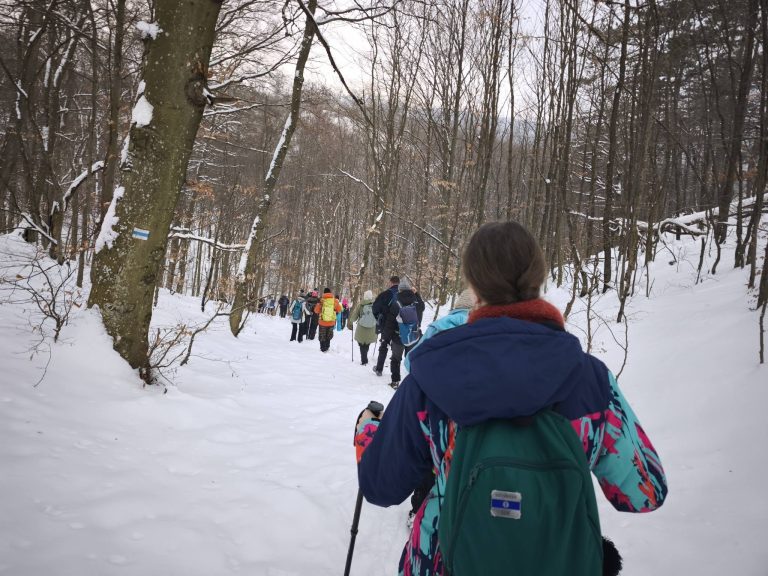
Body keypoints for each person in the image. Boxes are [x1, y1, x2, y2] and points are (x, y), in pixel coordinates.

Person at [354, 221, 667, 576]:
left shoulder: (431, 377)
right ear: (538, 279)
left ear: (473, 285)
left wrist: (367, 432)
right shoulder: (589, 379)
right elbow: (645, 492)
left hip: (444, 562)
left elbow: (380, 486)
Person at [403, 287, 474, 373]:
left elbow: (410, 361)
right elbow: (422, 306)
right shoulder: (487, 329)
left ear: (458, 304)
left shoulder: (439, 325)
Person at [373, 276, 424, 388]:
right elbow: (422, 308)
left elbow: (390, 322)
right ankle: (414, 383)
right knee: (411, 359)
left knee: (396, 359)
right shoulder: (416, 302)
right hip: (414, 336)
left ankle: (395, 381)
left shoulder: (396, 303)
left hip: (398, 337)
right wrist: (417, 294)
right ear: (410, 289)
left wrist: (386, 337)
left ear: (400, 290)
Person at [371, 276, 400, 377]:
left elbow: (374, 308)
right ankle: (395, 373)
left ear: (391, 282)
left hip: (386, 325)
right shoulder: (403, 294)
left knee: (384, 345)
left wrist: (378, 317)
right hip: (399, 325)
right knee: (397, 348)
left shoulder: (385, 294)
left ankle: (379, 369)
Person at [347, 290, 377, 365]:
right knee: (367, 343)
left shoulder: (360, 305)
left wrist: (351, 320)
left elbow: (354, 317)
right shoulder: (375, 305)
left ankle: (364, 359)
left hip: (361, 328)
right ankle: (365, 356)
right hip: (372, 328)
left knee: (361, 344)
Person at [314, 288, 342, 352]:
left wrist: (318, 304)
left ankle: (322, 348)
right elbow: (339, 310)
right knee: (328, 335)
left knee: (322, 335)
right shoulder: (334, 300)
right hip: (331, 322)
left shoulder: (321, 300)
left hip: (322, 322)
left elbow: (316, 311)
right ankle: (327, 347)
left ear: (324, 293)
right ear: (330, 292)